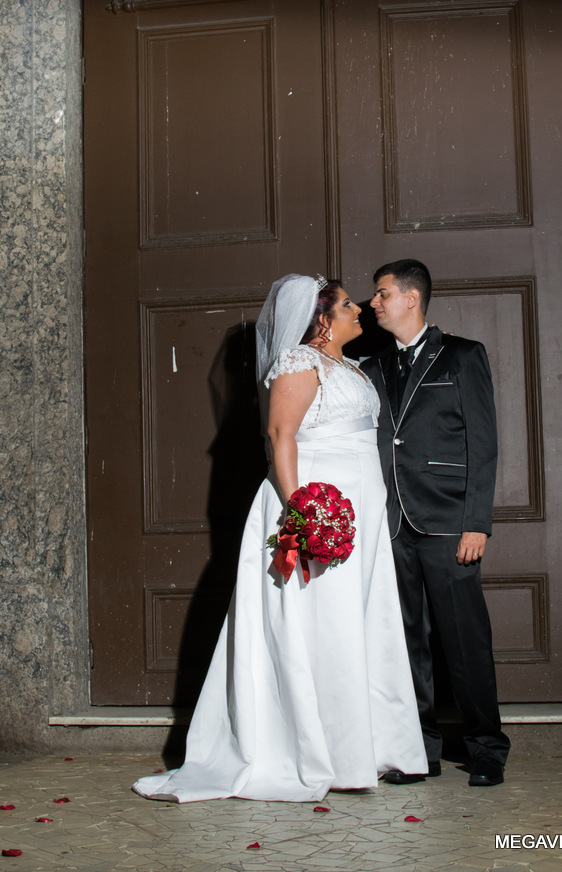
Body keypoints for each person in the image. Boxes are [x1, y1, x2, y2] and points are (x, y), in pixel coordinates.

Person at [133, 274, 427, 803]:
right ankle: (326, 754)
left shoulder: (351, 366)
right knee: (323, 623)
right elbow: (280, 434)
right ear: (322, 319)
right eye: (346, 305)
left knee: (359, 618)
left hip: (359, 510)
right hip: (317, 505)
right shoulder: (298, 362)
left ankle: (372, 747)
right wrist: (301, 512)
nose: (358, 310)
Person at [360, 259, 510, 787]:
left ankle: (487, 747)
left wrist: (477, 522)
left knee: (464, 640)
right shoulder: (372, 367)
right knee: (407, 643)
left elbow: (483, 444)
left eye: (381, 294)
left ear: (411, 298)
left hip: (448, 520)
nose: (372, 303)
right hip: (391, 523)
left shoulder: (463, 355)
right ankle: (419, 751)